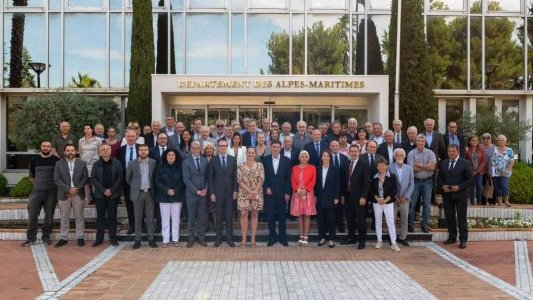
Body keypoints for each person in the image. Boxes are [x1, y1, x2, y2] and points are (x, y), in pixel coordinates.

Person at [21, 141, 60, 247]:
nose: (46, 148)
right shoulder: (34, 160)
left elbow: (59, 176)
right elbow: (31, 176)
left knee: (49, 217)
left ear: (51, 148)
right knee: (32, 215)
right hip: (37, 191)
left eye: (48, 146)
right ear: (41, 147)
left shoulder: (56, 160)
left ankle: (46, 237)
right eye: (44, 146)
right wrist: (37, 185)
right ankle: (31, 238)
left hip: (51, 192)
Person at [53, 144, 89, 247]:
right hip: (64, 194)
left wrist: (76, 189)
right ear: (64, 152)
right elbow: (57, 179)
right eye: (68, 150)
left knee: (79, 217)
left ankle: (80, 237)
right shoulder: (58, 164)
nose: (70, 152)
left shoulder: (82, 163)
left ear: (75, 151)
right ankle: (63, 237)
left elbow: (85, 178)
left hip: (78, 193)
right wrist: (69, 189)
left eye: (72, 150)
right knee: (64, 217)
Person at [439, 144, 473, 249]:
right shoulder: (444, 163)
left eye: (453, 151)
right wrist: (443, 186)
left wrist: (459, 187)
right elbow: (439, 178)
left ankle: (463, 240)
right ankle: (452, 237)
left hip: (460, 195)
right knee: (449, 217)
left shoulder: (465, 163)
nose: (451, 153)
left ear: (457, 151)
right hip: (447, 195)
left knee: (462, 218)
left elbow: (470, 180)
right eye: (449, 151)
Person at [126, 144, 158, 249]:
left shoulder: (153, 162)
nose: (143, 152)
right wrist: (136, 187)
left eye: (145, 150)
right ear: (138, 151)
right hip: (138, 194)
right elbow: (128, 179)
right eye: (141, 150)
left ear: (148, 151)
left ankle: (151, 239)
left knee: (150, 218)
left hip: (150, 193)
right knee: (138, 218)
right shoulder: (132, 163)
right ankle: (137, 240)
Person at [90, 144, 123, 247]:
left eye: (107, 149)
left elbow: (120, 177)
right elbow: (93, 179)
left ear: (110, 151)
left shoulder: (117, 163)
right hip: (100, 195)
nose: (105, 151)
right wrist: (104, 190)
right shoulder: (96, 164)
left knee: (112, 217)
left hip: (113, 195)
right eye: (103, 149)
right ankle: (99, 239)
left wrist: (111, 190)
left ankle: (113, 238)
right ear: (100, 152)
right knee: (100, 218)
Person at [209, 138, 238, 247]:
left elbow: (235, 177)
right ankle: (218, 239)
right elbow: (210, 178)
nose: (223, 147)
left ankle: (230, 239)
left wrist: (236, 190)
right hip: (217, 194)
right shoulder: (213, 160)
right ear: (217, 147)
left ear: (227, 147)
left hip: (230, 194)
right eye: (221, 146)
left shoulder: (232, 159)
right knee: (219, 217)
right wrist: (211, 193)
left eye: (225, 145)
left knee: (229, 217)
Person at [263, 141, 292, 247]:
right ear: (271, 147)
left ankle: (283, 237)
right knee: (270, 216)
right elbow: (263, 177)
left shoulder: (286, 160)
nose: (275, 149)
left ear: (281, 148)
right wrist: (266, 187)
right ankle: (272, 237)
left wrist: (287, 192)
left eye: (278, 147)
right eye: (274, 146)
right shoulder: (265, 160)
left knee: (282, 216)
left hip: (282, 193)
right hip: (269, 193)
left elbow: (288, 178)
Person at [341, 145, 370, 249]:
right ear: (349, 152)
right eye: (352, 151)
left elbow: (366, 182)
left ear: (359, 152)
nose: (353, 153)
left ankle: (362, 241)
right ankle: (351, 238)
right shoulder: (346, 163)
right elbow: (344, 181)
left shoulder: (364, 164)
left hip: (359, 198)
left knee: (361, 220)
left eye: (355, 151)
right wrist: (343, 195)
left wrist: (363, 197)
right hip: (348, 197)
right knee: (350, 219)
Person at [407, 134, 437, 233]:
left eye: (422, 141)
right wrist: (426, 166)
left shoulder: (431, 153)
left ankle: (424, 224)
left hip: (428, 181)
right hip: (414, 182)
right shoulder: (411, 153)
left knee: (427, 204)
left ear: (425, 143)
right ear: (416, 142)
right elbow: (411, 169)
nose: (420, 143)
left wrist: (419, 165)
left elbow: (432, 168)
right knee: (412, 204)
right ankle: (410, 224)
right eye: (418, 141)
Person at [155, 149, 184, 247]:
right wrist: (166, 190)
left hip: (177, 196)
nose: (171, 156)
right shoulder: (160, 167)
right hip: (164, 196)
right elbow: (157, 181)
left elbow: (182, 181)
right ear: (165, 156)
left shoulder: (180, 168)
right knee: (165, 219)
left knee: (176, 219)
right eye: (169, 155)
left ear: (176, 157)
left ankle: (176, 239)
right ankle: (165, 239)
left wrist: (175, 190)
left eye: (173, 155)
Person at [182, 141, 209, 248]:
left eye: (197, 148)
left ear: (200, 149)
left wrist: (206, 189)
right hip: (191, 194)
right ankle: (191, 238)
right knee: (192, 217)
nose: (196, 150)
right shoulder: (186, 161)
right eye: (194, 148)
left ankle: (201, 238)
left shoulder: (204, 160)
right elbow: (186, 179)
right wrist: (196, 191)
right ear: (191, 149)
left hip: (203, 194)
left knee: (202, 217)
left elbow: (208, 176)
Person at [369, 158, 400, 252]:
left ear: (386, 166)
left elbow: (394, 189)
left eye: (383, 165)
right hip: (377, 202)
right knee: (378, 222)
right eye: (379, 165)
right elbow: (371, 191)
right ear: (377, 167)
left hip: (388, 202)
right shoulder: (374, 177)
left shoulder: (392, 176)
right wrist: (378, 199)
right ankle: (379, 241)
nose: (381, 167)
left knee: (390, 222)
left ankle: (394, 243)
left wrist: (385, 200)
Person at [237, 147, 265, 247]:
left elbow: (261, 179)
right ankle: (244, 239)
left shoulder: (260, 165)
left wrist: (255, 192)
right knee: (243, 214)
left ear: (255, 154)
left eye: (253, 152)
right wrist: (250, 191)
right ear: (246, 153)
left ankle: (253, 239)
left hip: (257, 194)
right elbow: (239, 181)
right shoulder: (240, 166)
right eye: (249, 152)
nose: (251, 154)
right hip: (244, 193)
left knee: (254, 214)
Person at [388, 148, 414, 247]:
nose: (399, 157)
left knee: (404, 218)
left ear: (404, 156)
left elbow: (412, 184)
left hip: (404, 199)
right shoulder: (390, 168)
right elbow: (389, 184)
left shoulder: (409, 168)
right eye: (397, 155)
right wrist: (394, 196)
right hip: (393, 199)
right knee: (392, 219)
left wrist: (406, 196)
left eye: (401, 155)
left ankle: (403, 237)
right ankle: (393, 238)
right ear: (394, 157)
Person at [290, 150, 316, 247]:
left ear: (308, 158)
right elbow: (292, 180)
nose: (304, 158)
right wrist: (298, 190)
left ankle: (306, 236)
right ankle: (301, 235)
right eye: (302, 156)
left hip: (308, 194)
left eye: (306, 157)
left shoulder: (312, 168)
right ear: (299, 158)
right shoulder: (294, 168)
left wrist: (306, 190)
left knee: (307, 215)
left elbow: (313, 180)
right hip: (297, 194)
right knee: (300, 215)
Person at [315, 150, 340, 248]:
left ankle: (331, 239)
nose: (325, 157)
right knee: (321, 219)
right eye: (324, 156)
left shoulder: (335, 169)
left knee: (331, 219)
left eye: (327, 156)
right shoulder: (317, 168)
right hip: (320, 197)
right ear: (321, 158)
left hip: (331, 198)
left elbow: (338, 184)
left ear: (330, 157)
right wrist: (315, 195)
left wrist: (337, 197)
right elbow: (316, 184)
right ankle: (322, 237)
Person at [117, 129, 140, 234]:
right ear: (125, 138)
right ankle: (132, 225)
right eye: (129, 136)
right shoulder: (121, 150)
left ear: (136, 137)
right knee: (129, 205)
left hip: (140, 182)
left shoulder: (142, 148)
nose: (131, 138)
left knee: (140, 204)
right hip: (127, 182)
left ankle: (141, 225)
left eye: (133, 136)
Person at [78, 124, 102, 203]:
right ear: (84, 131)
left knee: (94, 182)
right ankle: (87, 199)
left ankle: (96, 199)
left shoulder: (98, 140)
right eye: (85, 129)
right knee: (86, 182)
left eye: (88, 128)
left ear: (92, 130)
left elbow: (100, 152)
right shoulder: (81, 140)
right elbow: (80, 153)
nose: (87, 130)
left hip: (95, 164)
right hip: (85, 164)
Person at [489, 134, 515, 207]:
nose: (500, 141)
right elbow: (490, 161)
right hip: (495, 172)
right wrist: (490, 171)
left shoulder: (509, 150)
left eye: (502, 140)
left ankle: (506, 200)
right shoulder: (493, 149)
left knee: (504, 186)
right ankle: (499, 202)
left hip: (505, 172)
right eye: (499, 140)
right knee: (497, 187)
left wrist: (506, 171)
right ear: (497, 142)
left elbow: (512, 161)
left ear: (505, 141)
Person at [330, 140, 349, 233]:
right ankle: (331, 225)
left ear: (339, 147)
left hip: (342, 187)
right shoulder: (326, 158)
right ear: (330, 148)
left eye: (336, 146)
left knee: (341, 208)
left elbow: (346, 175)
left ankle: (341, 224)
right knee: (331, 208)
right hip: (329, 188)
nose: (335, 148)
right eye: (333, 146)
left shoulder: (345, 158)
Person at [465, 135, 486, 205]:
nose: (475, 141)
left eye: (476, 140)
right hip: (470, 172)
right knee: (471, 187)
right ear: (470, 142)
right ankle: (472, 201)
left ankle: (479, 201)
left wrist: (477, 171)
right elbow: (466, 161)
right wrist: (471, 171)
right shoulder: (467, 150)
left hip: (479, 172)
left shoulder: (481, 149)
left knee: (479, 187)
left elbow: (483, 161)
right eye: (473, 140)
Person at [480, 133, 495, 205]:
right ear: (482, 139)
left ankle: (491, 201)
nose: (486, 140)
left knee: (491, 185)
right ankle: (483, 201)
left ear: (490, 139)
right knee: (482, 185)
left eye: (488, 138)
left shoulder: (494, 147)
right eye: (484, 138)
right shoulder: (479, 147)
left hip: (491, 169)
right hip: (481, 169)